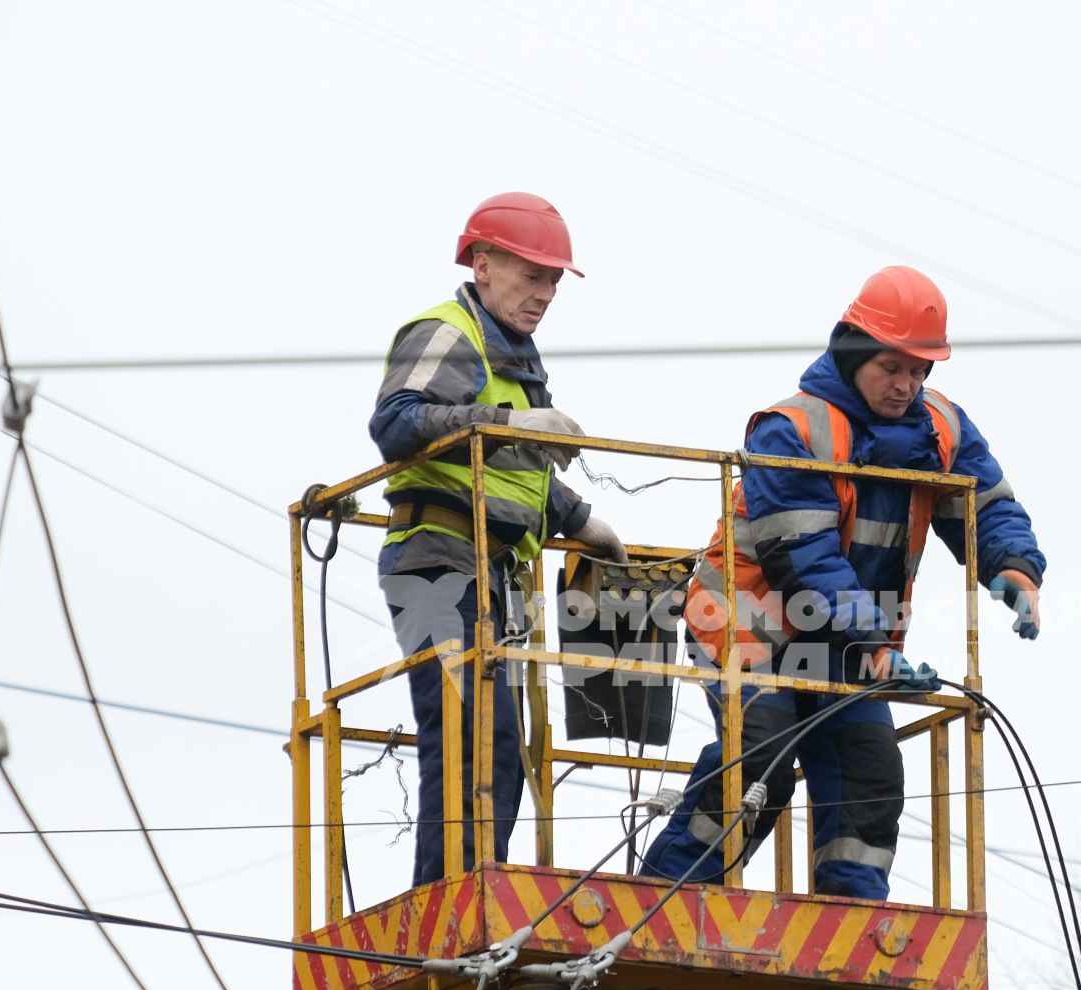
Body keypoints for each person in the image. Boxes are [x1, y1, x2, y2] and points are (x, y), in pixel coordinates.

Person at [639, 266, 1044, 901]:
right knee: (760, 758)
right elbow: (804, 560)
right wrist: (874, 646)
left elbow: (986, 505)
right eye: (893, 367)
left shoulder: (941, 430)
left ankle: (850, 916)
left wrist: (1014, 566)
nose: (906, 385)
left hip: (850, 640)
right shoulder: (794, 430)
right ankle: (664, 896)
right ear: (854, 352)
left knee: (869, 775)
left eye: (920, 371)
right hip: (748, 624)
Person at [369, 191, 623, 886]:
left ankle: (476, 894)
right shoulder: (449, 333)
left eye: (551, 280)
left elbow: (513, 477)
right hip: (434, 562)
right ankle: (447, 909)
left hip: (488, 573)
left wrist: (579, 521)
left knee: (499, 746)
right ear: (481, 265)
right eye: (529, 274)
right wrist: (507, 425)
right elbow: (395, 426)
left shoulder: (515, 359)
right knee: (468, 735)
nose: (543, 293)